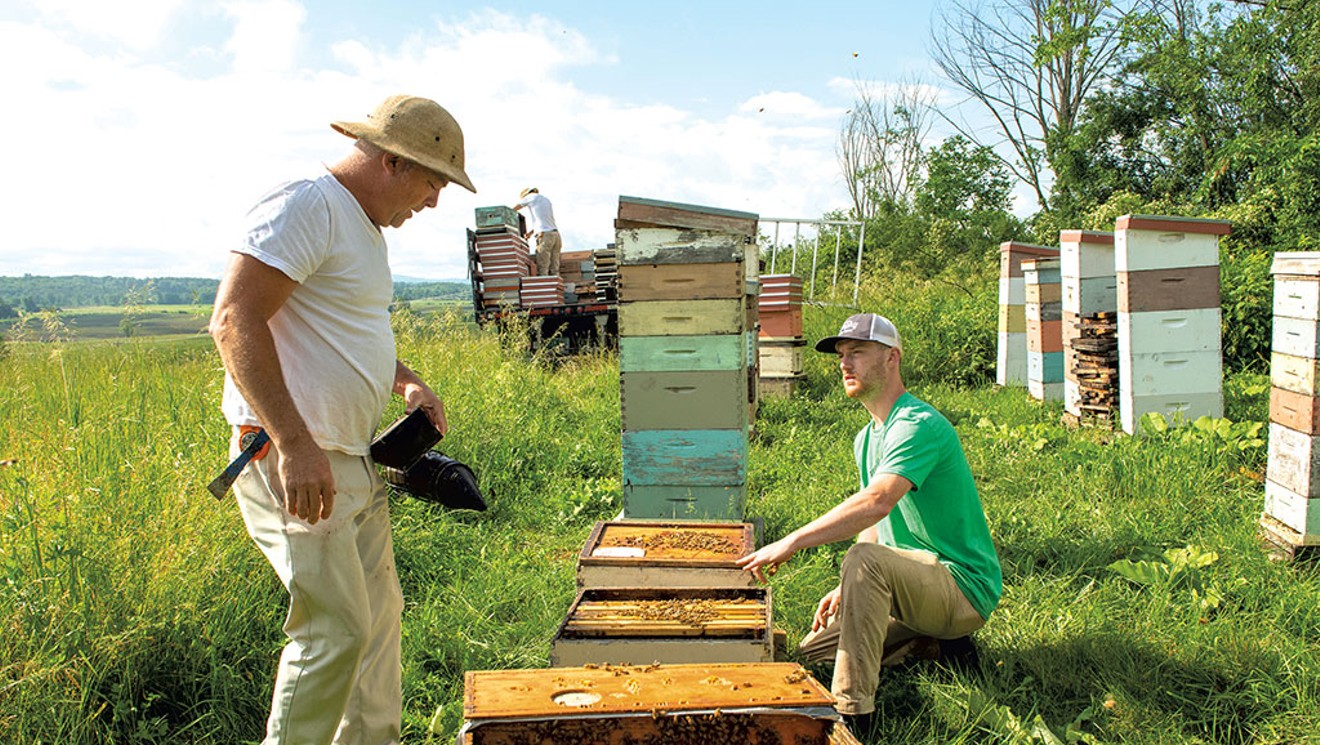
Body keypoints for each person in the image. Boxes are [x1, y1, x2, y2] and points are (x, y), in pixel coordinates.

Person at [209, 94, 476, 745]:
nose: (434, 202)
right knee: (333, 631)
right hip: (297, 458)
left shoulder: (366, 228)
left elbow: (344, 330)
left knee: (378, 621)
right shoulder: (308, 203)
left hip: (348, 457)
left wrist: (404, 377)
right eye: (433, 183)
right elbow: (233, 318)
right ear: (391, 161)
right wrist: (295, 441)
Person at [737, 313, 1001, 732]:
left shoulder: (918, 425)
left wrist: (792, 542)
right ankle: (935, 644)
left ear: (892, 357)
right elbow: (877, 525)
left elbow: (877, 502)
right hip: (913, 584)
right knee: (813, 655)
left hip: (961, 586)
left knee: (864, 561)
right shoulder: (867, 438)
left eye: (857, 352)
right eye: (842, 355)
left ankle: (853, 715)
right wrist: (846, 586)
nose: (845, 363)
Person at [512, 186, 561, 276]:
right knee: (555, 266)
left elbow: (515, 208)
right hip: (555, 234)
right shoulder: (545, 199)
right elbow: (543, 219)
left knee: (543, 266)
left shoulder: (530, 197)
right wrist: (531, 233)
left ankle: (544, 287)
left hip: (545, 235)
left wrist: (504, 214)